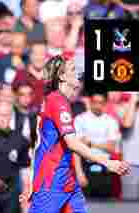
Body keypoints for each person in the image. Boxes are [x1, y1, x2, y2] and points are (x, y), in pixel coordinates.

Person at [24, 56, 130, 213]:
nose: (78, 73)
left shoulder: (60, 100)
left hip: (66, 177)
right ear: (61, 76)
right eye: (73, 69)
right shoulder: (57, 101)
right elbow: (72, 143)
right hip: (51, 180)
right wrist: (106, 162)